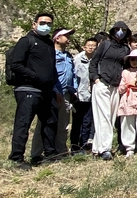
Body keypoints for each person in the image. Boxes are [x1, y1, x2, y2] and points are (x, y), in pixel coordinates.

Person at [8, 12, 59, 169]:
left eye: (49, 24)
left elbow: (51, 66)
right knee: (23, 124)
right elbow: (16, 64)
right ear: (34, 24)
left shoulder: (49, 43)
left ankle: (49, 154)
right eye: (42, 23)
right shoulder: (26, 41)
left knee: (50, 123)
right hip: (28, 89)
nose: (46, 26)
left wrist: (53, 82)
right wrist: (35, 77)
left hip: (47, 91)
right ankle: (17, 158)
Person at [89, 21, 132, 160]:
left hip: (115, 86)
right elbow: (93, 62)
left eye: (123, 30)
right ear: (113, 31)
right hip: (102, 83)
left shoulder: (125, 49)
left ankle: (97, 148)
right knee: (104, 116)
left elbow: (126, 67)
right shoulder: (105, 45)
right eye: (118, 29)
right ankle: (105, 149)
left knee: (111, 117)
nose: (120, 32)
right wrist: (96, 79)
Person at [31, 27, 76, 160]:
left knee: (63, 125)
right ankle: (37, 153)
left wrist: (74, 90)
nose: (68, 38)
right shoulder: (49, 55)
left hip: (66, 94)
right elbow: (47, 74)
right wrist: (54, 90)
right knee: (44, 124)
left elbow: (72, 74)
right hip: (51, 93)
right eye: (66, 36)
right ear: (57, 38)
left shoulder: (68, 56)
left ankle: (60, 151)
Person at [70, 37, 97, 155]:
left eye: (93, 46)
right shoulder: (77, 59)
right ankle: (74, 146)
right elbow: (72, 76)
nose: (91, 47)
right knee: (77, 122)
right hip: (78, 96)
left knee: (87, 122)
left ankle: (84, 145)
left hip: (91, 96)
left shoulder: (97, 60)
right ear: (84, 47)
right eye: (89, 45)